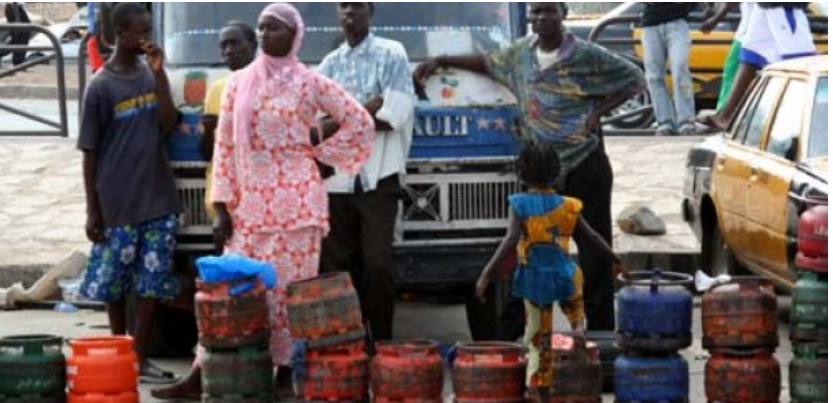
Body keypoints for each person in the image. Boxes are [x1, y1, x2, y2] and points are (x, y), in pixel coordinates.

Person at [415, 2, 645, 332]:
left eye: (549, 11)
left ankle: (601, 333)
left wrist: (598, 114)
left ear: (564, 14)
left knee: (592, 254)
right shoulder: (520, 55)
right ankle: (516, 335)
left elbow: (635, 79)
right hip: (543, 171)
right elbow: (485, 63)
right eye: (535, 12)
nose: (541, 18)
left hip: (584, 162)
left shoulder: (586, 54)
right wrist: (442, 61)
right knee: (530, 250)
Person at [211, 3, 374, 396]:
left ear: (294, 35)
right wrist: (220, 206)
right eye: (262, 28)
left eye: (274, 29)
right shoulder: (239, 83)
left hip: (297, 207)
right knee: (248, 293)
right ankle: (226, 368)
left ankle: (286, 373)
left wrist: (321, 156)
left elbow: (359, 120)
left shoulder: (309, 82)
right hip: (249, 205)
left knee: (289, 295)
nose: (265, 35)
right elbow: (224, 146)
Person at [149, 20, 257, 401]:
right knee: (220, 296)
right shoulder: (217, 91)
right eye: (224, 47)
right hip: (224, 203)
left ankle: (258, 369)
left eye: (236, 45)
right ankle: (206, 370)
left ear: (254, 45)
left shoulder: (272, 84)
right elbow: (213, 152)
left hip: (263, 204)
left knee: (260, 293)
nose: (229, 53)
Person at [77, 2, 181, 384]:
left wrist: (161, 76)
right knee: (114, 283)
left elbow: (168, 123)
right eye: (140, 31)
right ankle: (120, 349)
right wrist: (93, 209)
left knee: (152, 283)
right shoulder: (101, 86)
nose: (146, 38)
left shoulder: (150, 75)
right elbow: (89, 152)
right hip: (117, 201)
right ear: (120, 34)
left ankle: (138, 353)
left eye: (149, 30)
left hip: (158, 200)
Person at [476, 143, 627, 403]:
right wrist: (615, 259)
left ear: (521, 173)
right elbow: (591, 236)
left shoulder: (519, 204)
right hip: (567, 276)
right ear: (557, 173)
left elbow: (510, 241)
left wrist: (486, 274)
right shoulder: (569, 205)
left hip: (534, 280)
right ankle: (579, 350)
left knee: (537, 338)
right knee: (576, 319)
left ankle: (538, 388)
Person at [317, 2, 415, 343]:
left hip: (378, 176)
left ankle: (383, 342)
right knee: (338, 269)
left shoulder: (392, 54)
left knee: (377, 264)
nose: (349, 12)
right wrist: (365, 108)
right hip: (337, 180)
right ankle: (350, 345)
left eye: (357, 6)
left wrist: (342, 119)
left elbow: (392, 116)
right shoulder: (329, 65)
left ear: (370, 11)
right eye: (344, 6)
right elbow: (317, 129)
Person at [699, 2, 816, 131]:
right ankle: (726, 116)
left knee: (801, 64)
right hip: (763, 7)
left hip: (782, 7)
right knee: (750, 55)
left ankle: (812, 119)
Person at [640, 3, 698, 136]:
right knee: (654, 76)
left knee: (680, 69)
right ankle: (664, 122)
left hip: (677, 22)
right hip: (651, 23)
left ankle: (686, 122)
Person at [4, 2, 31, 66]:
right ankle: (19, 62)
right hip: (15, 8)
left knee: (19, 36)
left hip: (14, 8)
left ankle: (18, 61)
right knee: (21, 35)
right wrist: (17, 19)